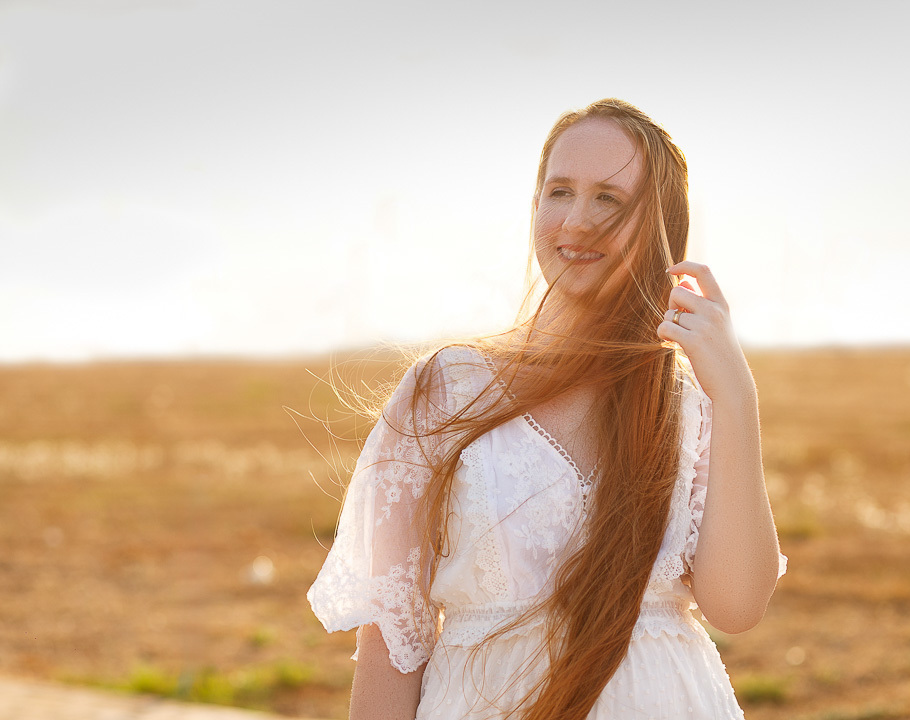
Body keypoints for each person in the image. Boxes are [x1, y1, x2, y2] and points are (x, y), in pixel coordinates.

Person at [307, 98, 786, 720]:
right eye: (559, 191)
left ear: (660, 227)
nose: (576, 221)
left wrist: (737, 398)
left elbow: (738, 606)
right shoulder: (447, 390)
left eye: (609, 200)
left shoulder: (688, 407)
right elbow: (394, 638)